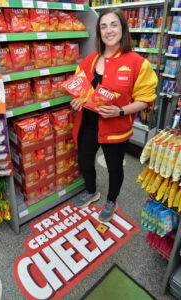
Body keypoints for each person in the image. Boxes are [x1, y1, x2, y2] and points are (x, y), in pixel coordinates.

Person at [71, 8, 158, 222]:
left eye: (113, 25)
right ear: (99, 32)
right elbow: (79, 85)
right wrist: (78, 99)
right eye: (103, 26)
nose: (108, 30)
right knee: (84, 161)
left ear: (123, 29)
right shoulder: (90, 59)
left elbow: (146, 99)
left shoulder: (138, 63)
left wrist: (120, 110)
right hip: (88, 124)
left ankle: (111, 200)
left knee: (114, 168)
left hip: (116, 127)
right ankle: (92, 191)